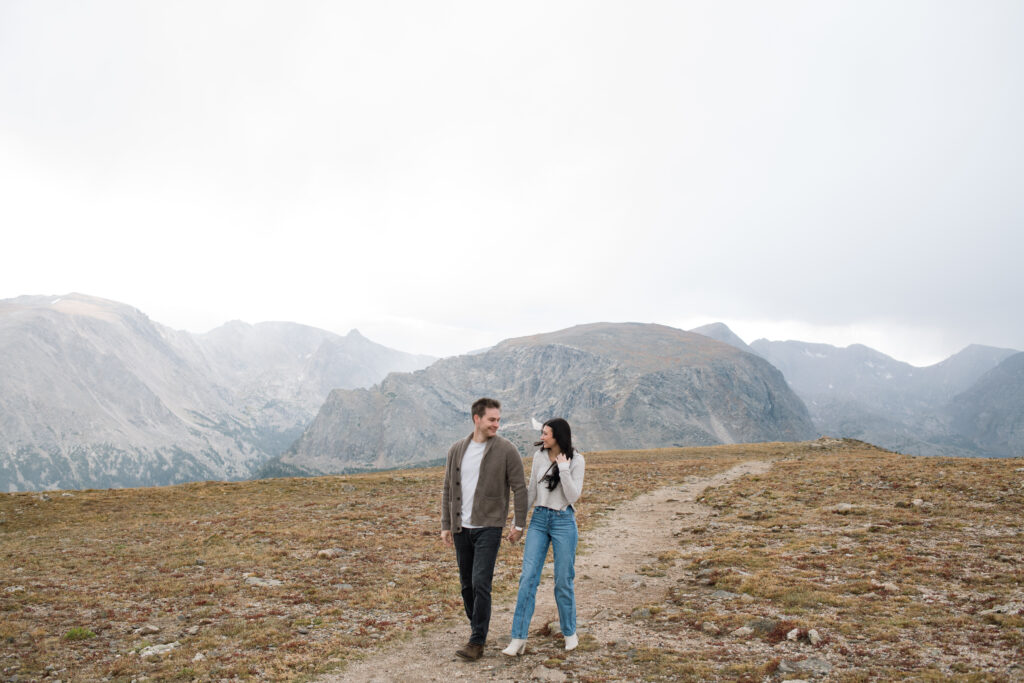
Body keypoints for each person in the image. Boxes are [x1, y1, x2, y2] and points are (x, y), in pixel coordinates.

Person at [441, 397, 528, 661]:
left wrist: (519, 523)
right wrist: (446, 524)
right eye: (492, 419)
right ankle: (477, 627)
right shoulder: (457, 449)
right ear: (476, 419)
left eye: (498, 420)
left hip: (489, 526)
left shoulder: (506, 449)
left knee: (481, 582)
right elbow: (448, 488)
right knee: (466, 585)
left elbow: (520, 488)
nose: (496, 425)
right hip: (461, 528)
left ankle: (477, 641)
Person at [502, 417, 585, 656]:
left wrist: (564, 468)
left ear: (558, 436)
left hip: (563, 521)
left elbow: (572, 496)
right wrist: (519, 523)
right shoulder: (539, 457)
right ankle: (518, 638)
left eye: (546, 433)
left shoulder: (577, 460)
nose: (542, 437)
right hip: (539, 520)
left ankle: (569, 632)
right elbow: (531, 491)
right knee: (528, 578)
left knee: (563, 579)